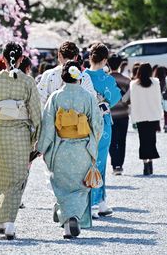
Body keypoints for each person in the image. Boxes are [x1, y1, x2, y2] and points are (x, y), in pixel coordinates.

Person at [0, 42, 41, 240]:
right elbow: (36, 113)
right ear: (21, 59)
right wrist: (35, 139)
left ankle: (0, 222)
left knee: (3, 177)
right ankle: (10, 224)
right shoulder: (28, 82)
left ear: (3, 59)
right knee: (17, 179)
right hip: (20, 136)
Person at [38, 60, 103, 239]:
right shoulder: (88, 97)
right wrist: (92, 144)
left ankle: (68, 223)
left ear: (63, 76)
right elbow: (97, 125)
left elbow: (48, 127)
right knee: (81, 187)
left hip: (61, 149)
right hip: (82, 149)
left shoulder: (56, 97)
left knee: (61, 187)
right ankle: (73, 218)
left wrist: (41, 148)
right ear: (79, 77)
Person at [84, 43, 121, 219]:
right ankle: (98, 203)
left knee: (84, 162)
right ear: (105, 60)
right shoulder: (108, 80)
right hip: (103, 125)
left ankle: (93, 203)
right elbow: (115, 97)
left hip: (83, 124)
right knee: (100, 162)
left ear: (90, 57)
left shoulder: (81, 76)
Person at [130, 63, 162, 175]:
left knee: (143, 140)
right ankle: (150, 162)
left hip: (140, 115)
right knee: (152, 139)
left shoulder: (133, 84)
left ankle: (145, 164)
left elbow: (133, 101)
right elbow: (159, 99)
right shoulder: (156, 82)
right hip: (153, 114)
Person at [37, 41, 79, 109]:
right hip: (78, 117)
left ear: (59, 55)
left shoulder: (48, 75)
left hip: (54, 116)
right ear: (76, 57)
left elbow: (40, 98)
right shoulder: (83, 76)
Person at [107, 54, 130, 175]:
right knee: (122, 141)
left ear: (108, 64)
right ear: (120, 64)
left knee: (111, 140)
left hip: (109, 115)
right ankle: (119, 165)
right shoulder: (126, 80)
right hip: (123, 114)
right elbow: (129, 99)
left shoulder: (105, 79)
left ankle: (114, 165)